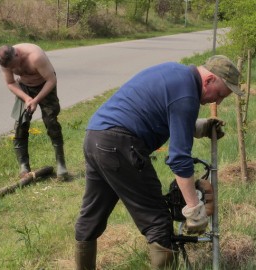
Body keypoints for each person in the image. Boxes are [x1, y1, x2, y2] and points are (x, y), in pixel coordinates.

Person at [74, 55, 243, 269]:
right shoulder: (187, 95)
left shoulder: (175, 73)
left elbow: (157, 110)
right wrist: (193, 207)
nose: (217, 102)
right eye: (219, 94)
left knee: (91, 215)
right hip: (120, 143)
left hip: (96, 137)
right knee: (158, 222)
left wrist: (196, 126)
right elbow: (179, 158)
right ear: (209, 80)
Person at [0, 43, 68, 181]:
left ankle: (61, 164)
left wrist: (36, 100)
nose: (13, 69)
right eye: (9, 68)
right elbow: (10, 83)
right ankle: (24, 166)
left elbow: (51, 79)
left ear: (17, 54)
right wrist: (27, 98)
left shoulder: (35, 56)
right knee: (20, 125)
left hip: (45, 86)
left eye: (13, 65)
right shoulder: (6, 63)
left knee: (51, 123)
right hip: (25, 88)